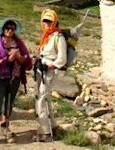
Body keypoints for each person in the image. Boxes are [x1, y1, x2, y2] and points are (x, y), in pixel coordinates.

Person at [0, 18, 32, 143]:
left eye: (12, 29)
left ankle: (5, 127)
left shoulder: (18, 43)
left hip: (14, 78)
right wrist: (7, 60)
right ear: (3, 29)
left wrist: (18, 57)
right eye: (7, 28)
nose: (10, 30)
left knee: (8, 102)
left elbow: (25, 59)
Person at [33, 9, 66, 142]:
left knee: (41, 98)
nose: (46, 23)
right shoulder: (46, 36)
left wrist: (49, 66)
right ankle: (52, 127)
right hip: (42, 70)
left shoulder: (59, 37)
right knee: (45, 99)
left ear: (55, 21)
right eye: (44, 20)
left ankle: (45, 133)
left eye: (49, 21)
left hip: (50, 71)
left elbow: (61, 59)